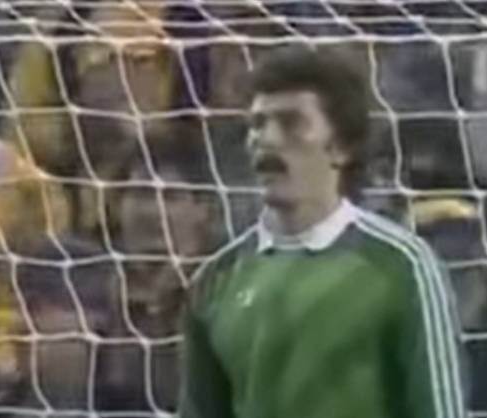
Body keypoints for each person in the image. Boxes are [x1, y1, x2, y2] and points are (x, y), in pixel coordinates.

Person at [178, 46, 464, 418]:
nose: (267, 138)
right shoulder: (216, 278)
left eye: (291, 123)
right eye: (258, 124)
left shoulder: (401, 265)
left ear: (341, 147)